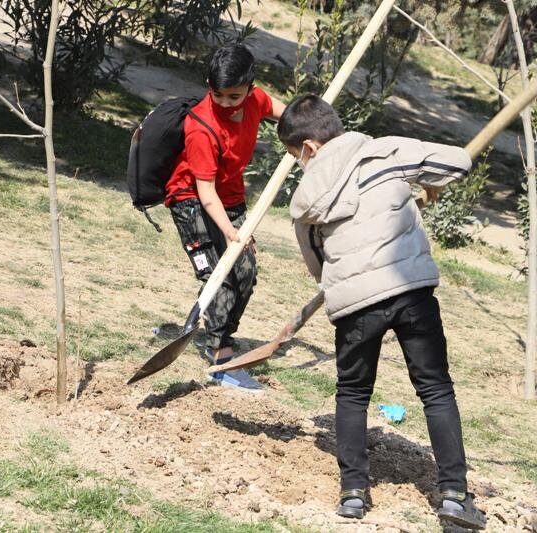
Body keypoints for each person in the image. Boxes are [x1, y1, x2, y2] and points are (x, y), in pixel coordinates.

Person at [277, 94, 486, 530]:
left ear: (310, 148)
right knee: (435, 390)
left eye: (296, 155)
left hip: (355, 304)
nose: (299, 163)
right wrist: (421, 185)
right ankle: (453, 497)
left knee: (352, 393)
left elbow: (316, 264)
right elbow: (459, 163)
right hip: (411, 292)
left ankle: (353, 494)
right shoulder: (389, 151)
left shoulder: (305, 198)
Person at [165, 43, 285, 393]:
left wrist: (309, 124)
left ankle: (218, 333)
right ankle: (221, 356)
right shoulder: (201, 127)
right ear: (209, 85)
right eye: (219, 94)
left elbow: (284, 113)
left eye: (235, 96)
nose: (227, 103)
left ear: (250, 87)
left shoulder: (255, 99)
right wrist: (231, 232)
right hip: (191, 200)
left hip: (230, 197)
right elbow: (205, 193)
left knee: (245, 272)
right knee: (218, 274)